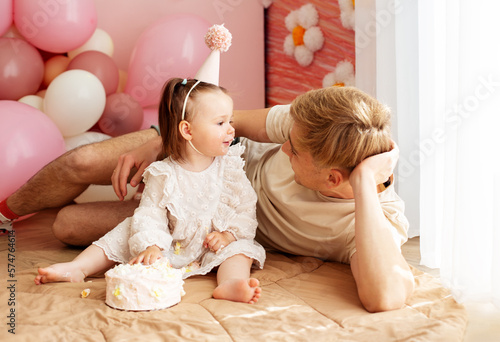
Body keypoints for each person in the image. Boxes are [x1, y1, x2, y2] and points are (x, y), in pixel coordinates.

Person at [1, 86, 414, 313]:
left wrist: (364, 185)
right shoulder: (313, 125)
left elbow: (385, 298)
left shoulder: (374, 221)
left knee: (67, 226)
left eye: (294, 149)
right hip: (205, 155)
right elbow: (229, 126)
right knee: (82, 161)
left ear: (335, 177)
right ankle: (4, 212)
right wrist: (164, 144)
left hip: (213, 220)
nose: (284, 147)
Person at [34, 78, 266, 305]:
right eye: (220, 123)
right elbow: (150, 214)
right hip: (169, 243)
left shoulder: (230, 166)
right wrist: (152, 245)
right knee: (126, 229)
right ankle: (79, 267)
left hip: (210, 245)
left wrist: (228, 235)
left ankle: (230, 282)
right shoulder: (163, 173)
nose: (231, 129)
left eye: (230, 121)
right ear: (187, 130)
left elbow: (244, 206)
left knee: (242, 250)